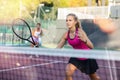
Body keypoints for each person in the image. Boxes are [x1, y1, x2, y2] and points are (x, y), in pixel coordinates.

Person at [56, 13, 100, 80]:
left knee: (94, 77)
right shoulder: (66, 34)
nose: (68, 22)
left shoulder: (80, 32)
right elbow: (59, 47)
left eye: (70, 20)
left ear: (75, 22)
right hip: (76, 56)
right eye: (66, 20)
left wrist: (84, 40)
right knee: (68, 72)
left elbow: (91, 46)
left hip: (87, 57)